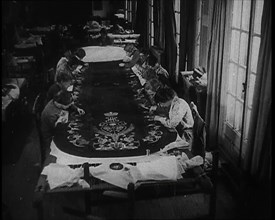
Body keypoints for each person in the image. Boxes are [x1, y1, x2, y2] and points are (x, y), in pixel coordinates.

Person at [41, 90, 85, 163]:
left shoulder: (57, 101)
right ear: (60, 105)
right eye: (67, 105)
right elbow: (58, 130)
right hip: (51, 136)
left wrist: (77, 109)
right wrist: (62, 122)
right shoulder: (50, 114)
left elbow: (69, 104)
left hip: (59, 123)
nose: (69, 105)